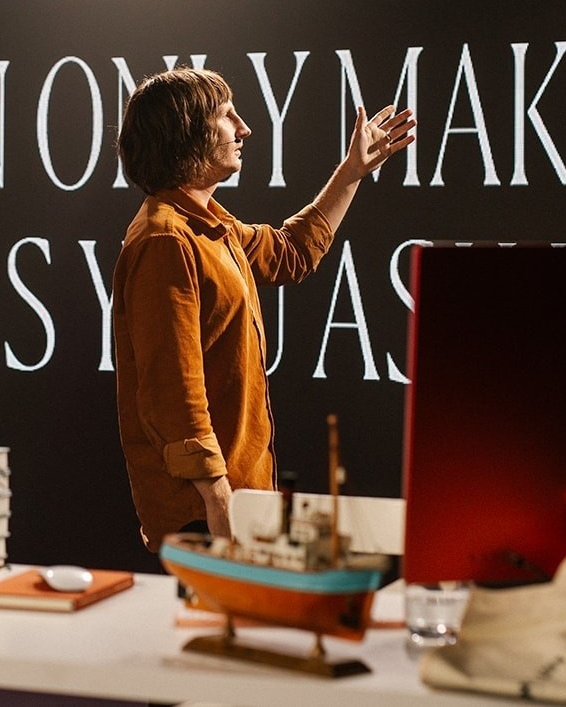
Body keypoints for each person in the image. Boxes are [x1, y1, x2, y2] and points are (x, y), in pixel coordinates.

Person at [111, 67, 415, 551]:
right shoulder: (165, 239)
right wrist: (218, 500)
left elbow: (292, 253)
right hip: (205, 514)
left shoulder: (208, 226)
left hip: (234, 503)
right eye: (226, 115)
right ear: (188, 132)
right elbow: (173, 394)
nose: (244, 129)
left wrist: (352, 171)